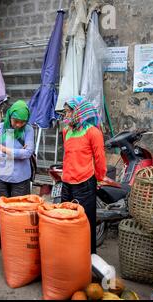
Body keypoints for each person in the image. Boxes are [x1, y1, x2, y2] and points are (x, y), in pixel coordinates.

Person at [0, 100, 34, 251]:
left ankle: (18, 241)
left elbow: (28, 152)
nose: (18, 125)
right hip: (1, 175)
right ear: (10, 116)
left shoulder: (29, 130)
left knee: (19, 211)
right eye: (16, 121)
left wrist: (5, 149)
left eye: (22, 122)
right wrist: (17, 153)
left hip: (21, 178)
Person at [61, 96, 107, 254]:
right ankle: (70, 255)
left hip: (85, 183)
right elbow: (67, 156)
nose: (65, 115)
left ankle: (88, 258)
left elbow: (100, 158)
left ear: (78, 112)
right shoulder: (66, 131)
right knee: (66, 220)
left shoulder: (93, 132)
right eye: (65, 112)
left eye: (68, 112)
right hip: (66, 182)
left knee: (85, 223)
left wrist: (100, 178)